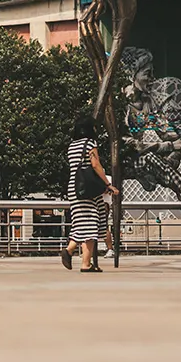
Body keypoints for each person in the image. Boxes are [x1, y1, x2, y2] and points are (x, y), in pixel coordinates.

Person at [62, 116, 118, 273]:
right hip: (87, 188)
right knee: (90, 222)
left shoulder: (72, 145)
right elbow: (95, 164)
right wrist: (107, 184)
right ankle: (78, 257)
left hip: (75, 187)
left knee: (91, 220)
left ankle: (74, 253)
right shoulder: (90, 144)